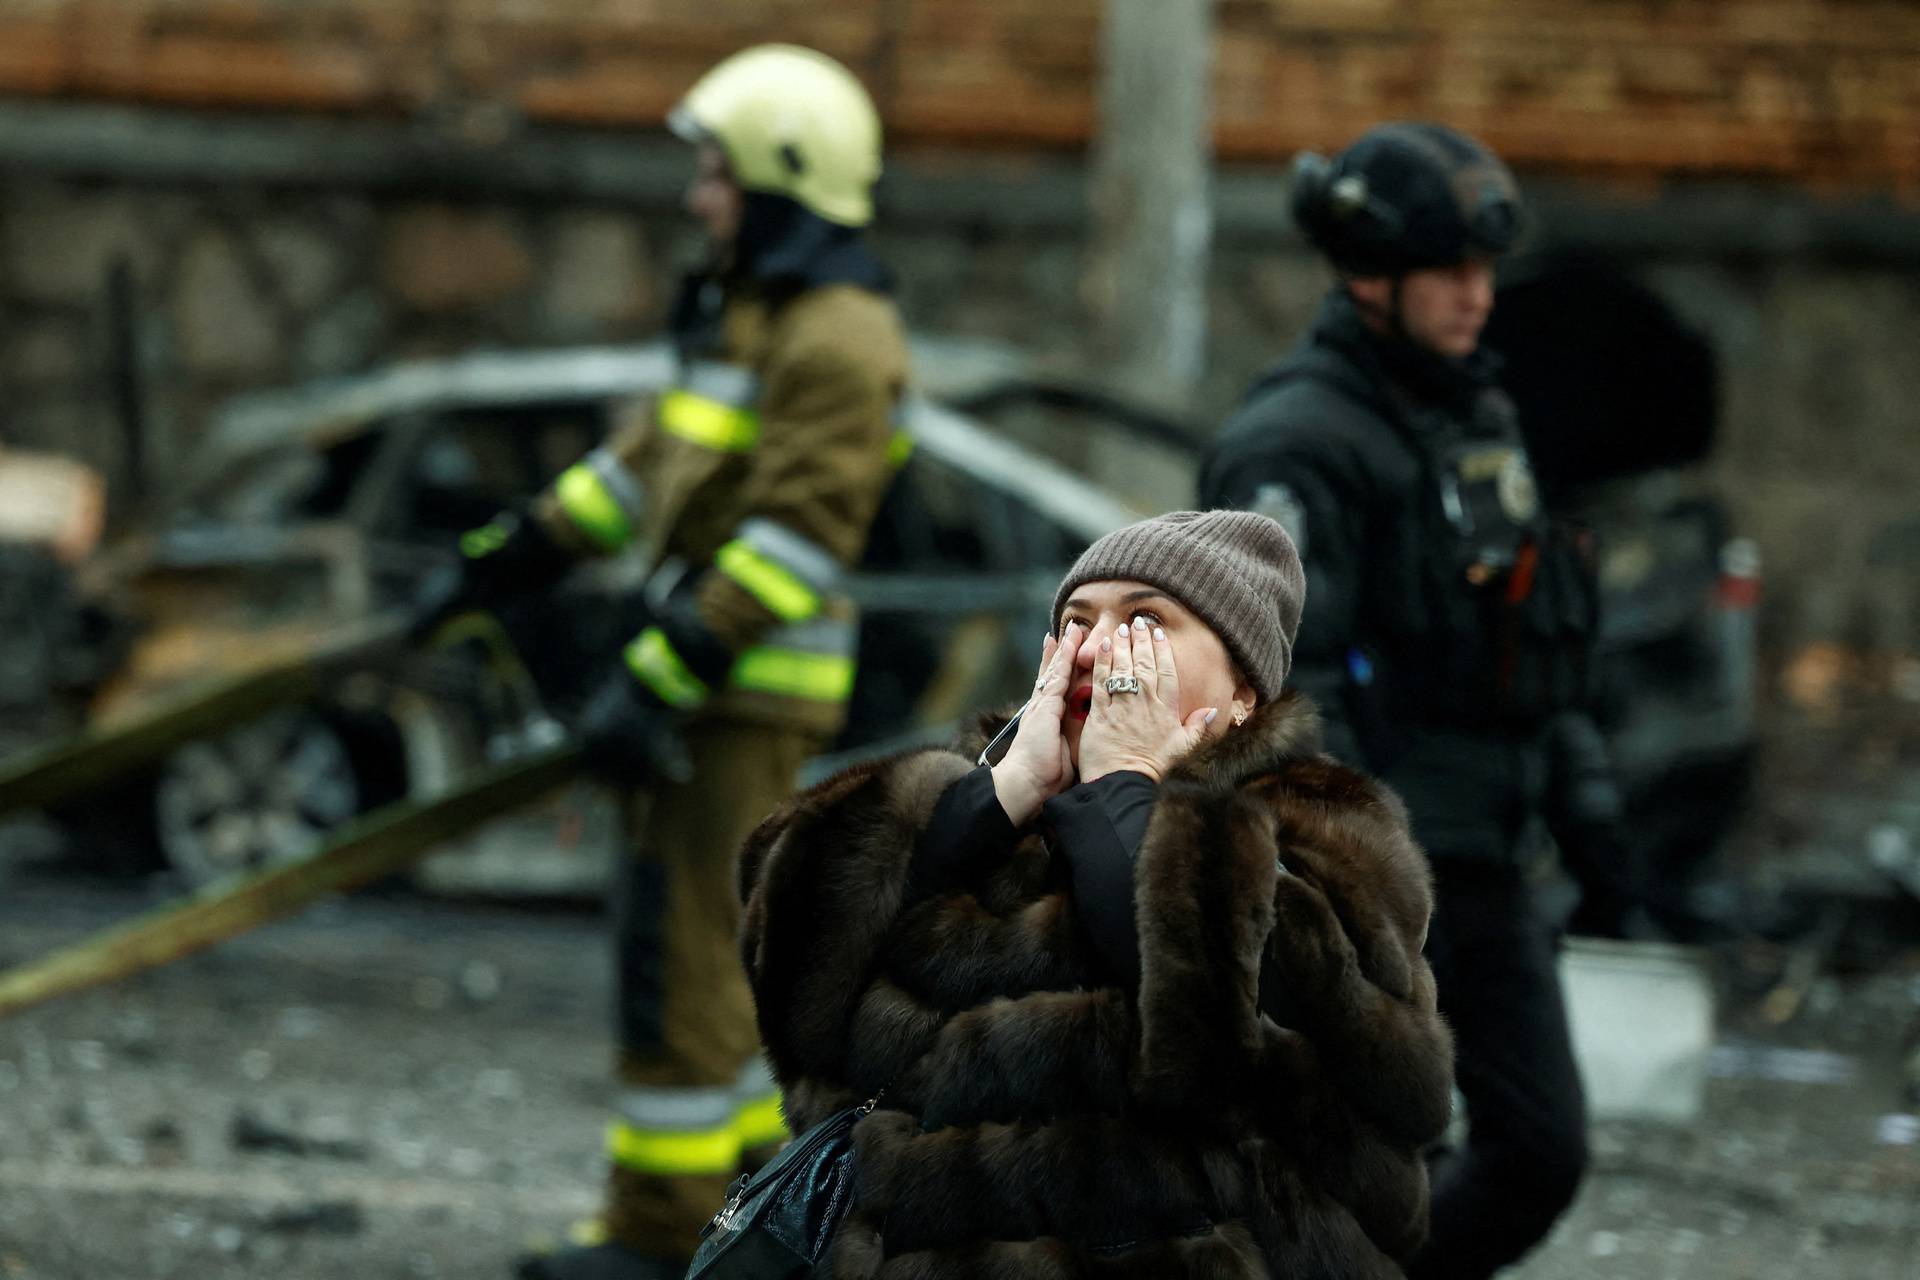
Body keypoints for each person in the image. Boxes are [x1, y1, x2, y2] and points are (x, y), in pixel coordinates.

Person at [416, 44, 910, 1280]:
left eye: (714, 175)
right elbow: (645, 467)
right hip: (709, 690)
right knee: (721, 960)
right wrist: (518, 548)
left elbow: (801, 538)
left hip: (745, 699)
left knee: (678, 958)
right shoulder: (750, 310)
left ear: (784, 184)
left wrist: (659, 672)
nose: (698, 200)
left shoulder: (839, 338)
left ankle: (658, 1234)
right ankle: (747, 1210)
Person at [736, 510, 1454, 1277]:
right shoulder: (988, 797)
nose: (1100, 648)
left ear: (1244, 691)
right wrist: (996, 798)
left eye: (1147, 621)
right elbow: (796, 991)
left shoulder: (1321, 828)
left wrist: (1124, 790)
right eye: (1076, 621)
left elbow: (1250, 1043)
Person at [1197, 123, 1622, 1278]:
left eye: (1486, 272)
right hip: (1366, 882)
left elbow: (1531, 637)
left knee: (1540, 1148)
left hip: (1489, 865)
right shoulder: (1294, 441)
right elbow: (1281, 676)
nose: (1477, 298)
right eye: (1450, 273)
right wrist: (1353, 859)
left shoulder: (1474, 416)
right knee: (1345, 1173)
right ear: (1370, 274)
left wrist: (1591, 808)